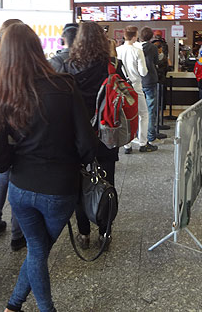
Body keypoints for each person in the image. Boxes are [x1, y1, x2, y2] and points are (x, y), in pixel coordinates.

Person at [0, 23, 96, 312]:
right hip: (59, 188)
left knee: (36, 250)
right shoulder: (65, 85)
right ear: (37, 48)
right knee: (38, 251)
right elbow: (86, 143)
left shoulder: (2, 95)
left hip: (20, 187)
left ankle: (13, 306)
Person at [63, 21, 124, 249]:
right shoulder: (112, 66)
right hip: (105, 133)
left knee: (80, 183)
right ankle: (105, 232)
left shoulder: (69, 67)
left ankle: (84, 233)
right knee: (107, 182)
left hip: (78, 135)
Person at [0, 19, 26, 251]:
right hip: (15, 123)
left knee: (2, 176)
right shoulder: (17, 62)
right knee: (16, 179)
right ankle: (18, 236)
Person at [116, 26, 157, 153]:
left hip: (121, 87)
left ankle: (127, 146)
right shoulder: (137, 51)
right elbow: (143, 72)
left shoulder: (117, 50)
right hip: (136, 87)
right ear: (134, 36)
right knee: (143, 114)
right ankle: (143, 143)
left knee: (125, 116)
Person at [137, 27, 167, 142]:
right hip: (150, 80)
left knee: (139, 110)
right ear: (151, 37)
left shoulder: (136, 47)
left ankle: (139, 135)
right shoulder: (153, 48)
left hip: (139, 81)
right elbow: (156, 62)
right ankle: (150, 136)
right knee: (150, 109)